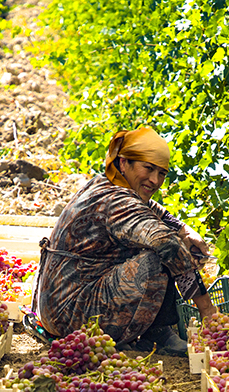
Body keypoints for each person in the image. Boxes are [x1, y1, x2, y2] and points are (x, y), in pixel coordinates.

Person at [34, 126, 217, 356]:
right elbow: (165, 243)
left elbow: (151, 210)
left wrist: (184, 229)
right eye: (148, 168)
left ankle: (155, 330)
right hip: (71, 317)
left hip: (56, 305)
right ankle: (157, 334)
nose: (155, 180)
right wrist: (207, 310)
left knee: (158, 237)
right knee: (160, 254)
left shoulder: (106, 182)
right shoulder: (118, 201)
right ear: (123, 163)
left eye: (161, 173)